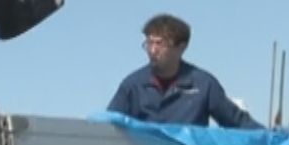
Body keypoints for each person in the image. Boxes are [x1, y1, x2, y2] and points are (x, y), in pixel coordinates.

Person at [108, 13, 260, 128]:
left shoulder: (204, 85)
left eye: (160, 44)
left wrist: (276, 140)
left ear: (181, 47)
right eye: (149, 43)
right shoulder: (133, 85)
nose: (152, 50)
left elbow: (239, 123)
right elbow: (108, 126)